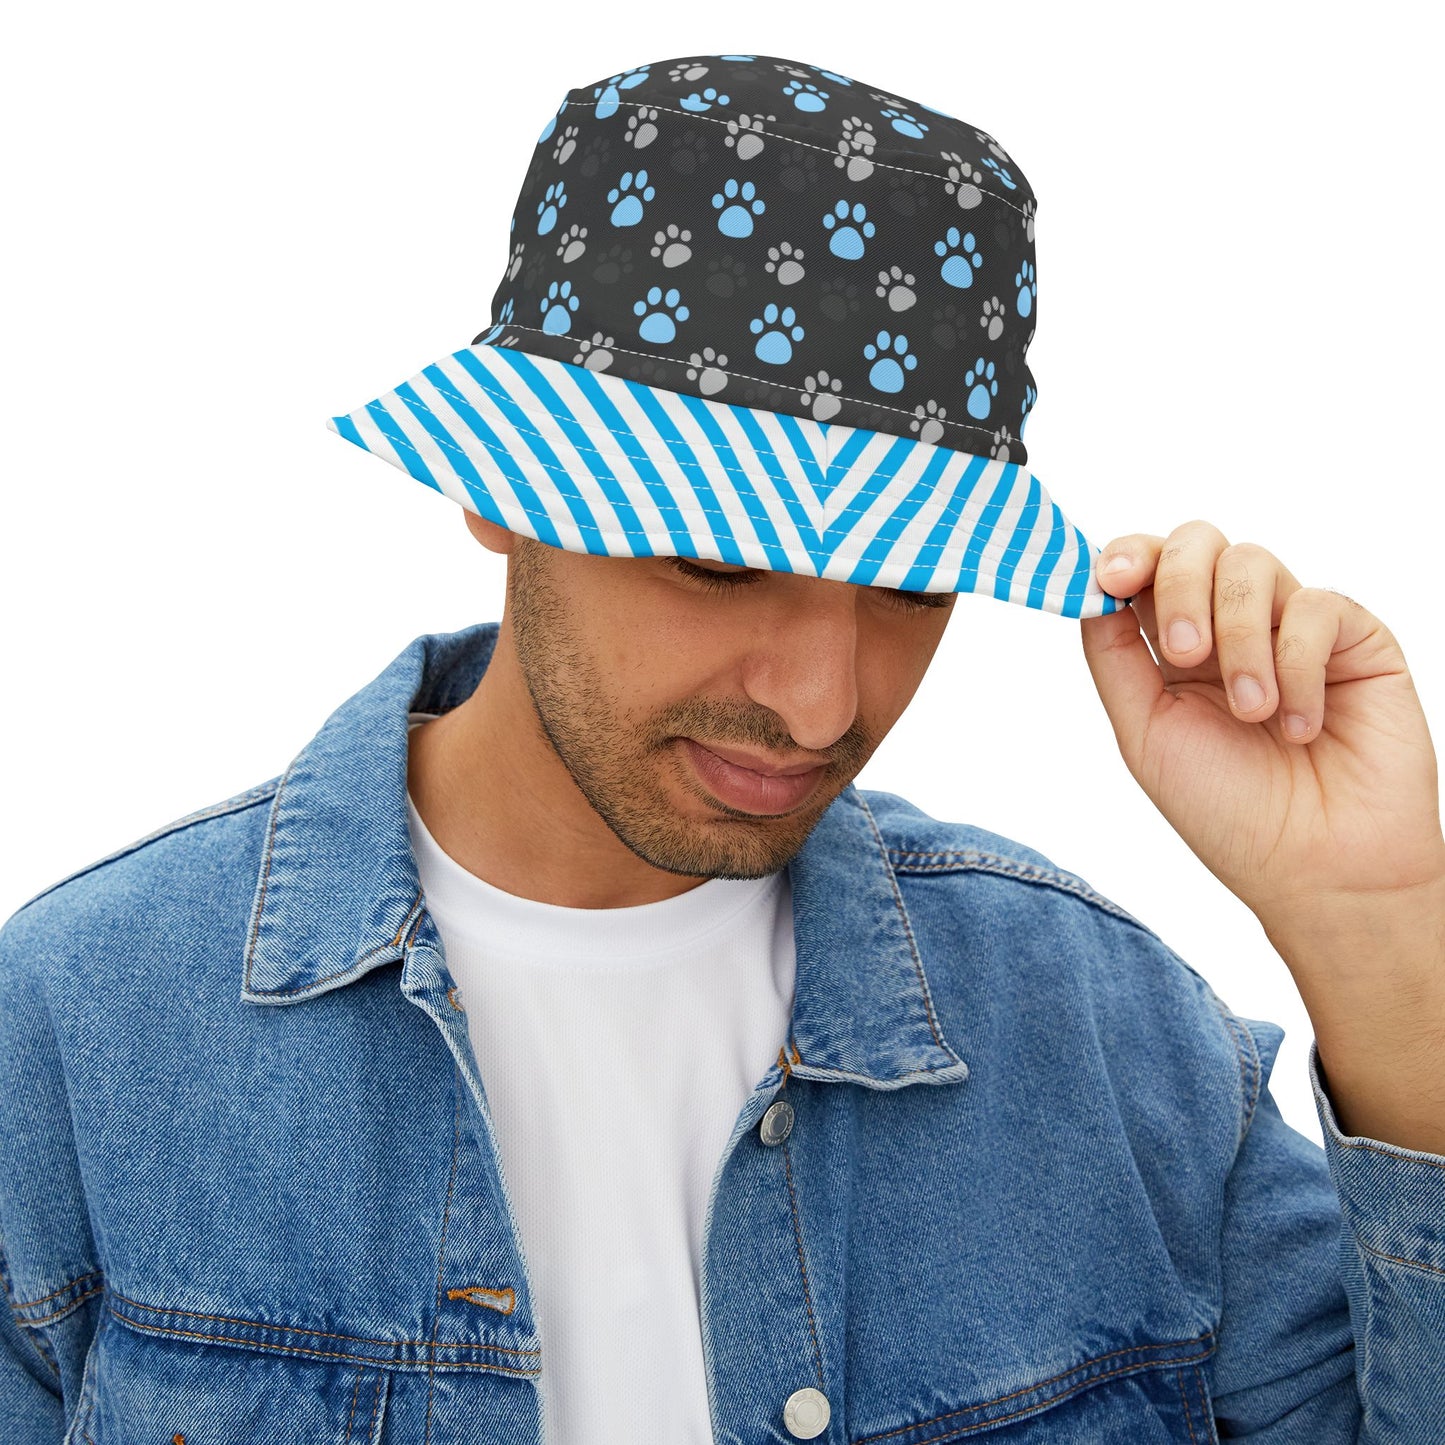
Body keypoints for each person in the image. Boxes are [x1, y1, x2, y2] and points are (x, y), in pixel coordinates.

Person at [2, 50, 1441, 1445]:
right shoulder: (82, 1030)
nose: (820, 704)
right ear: (497, 488)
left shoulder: (1109, 1039)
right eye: (717, 561)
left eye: (909, 587)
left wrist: (1376, 933)